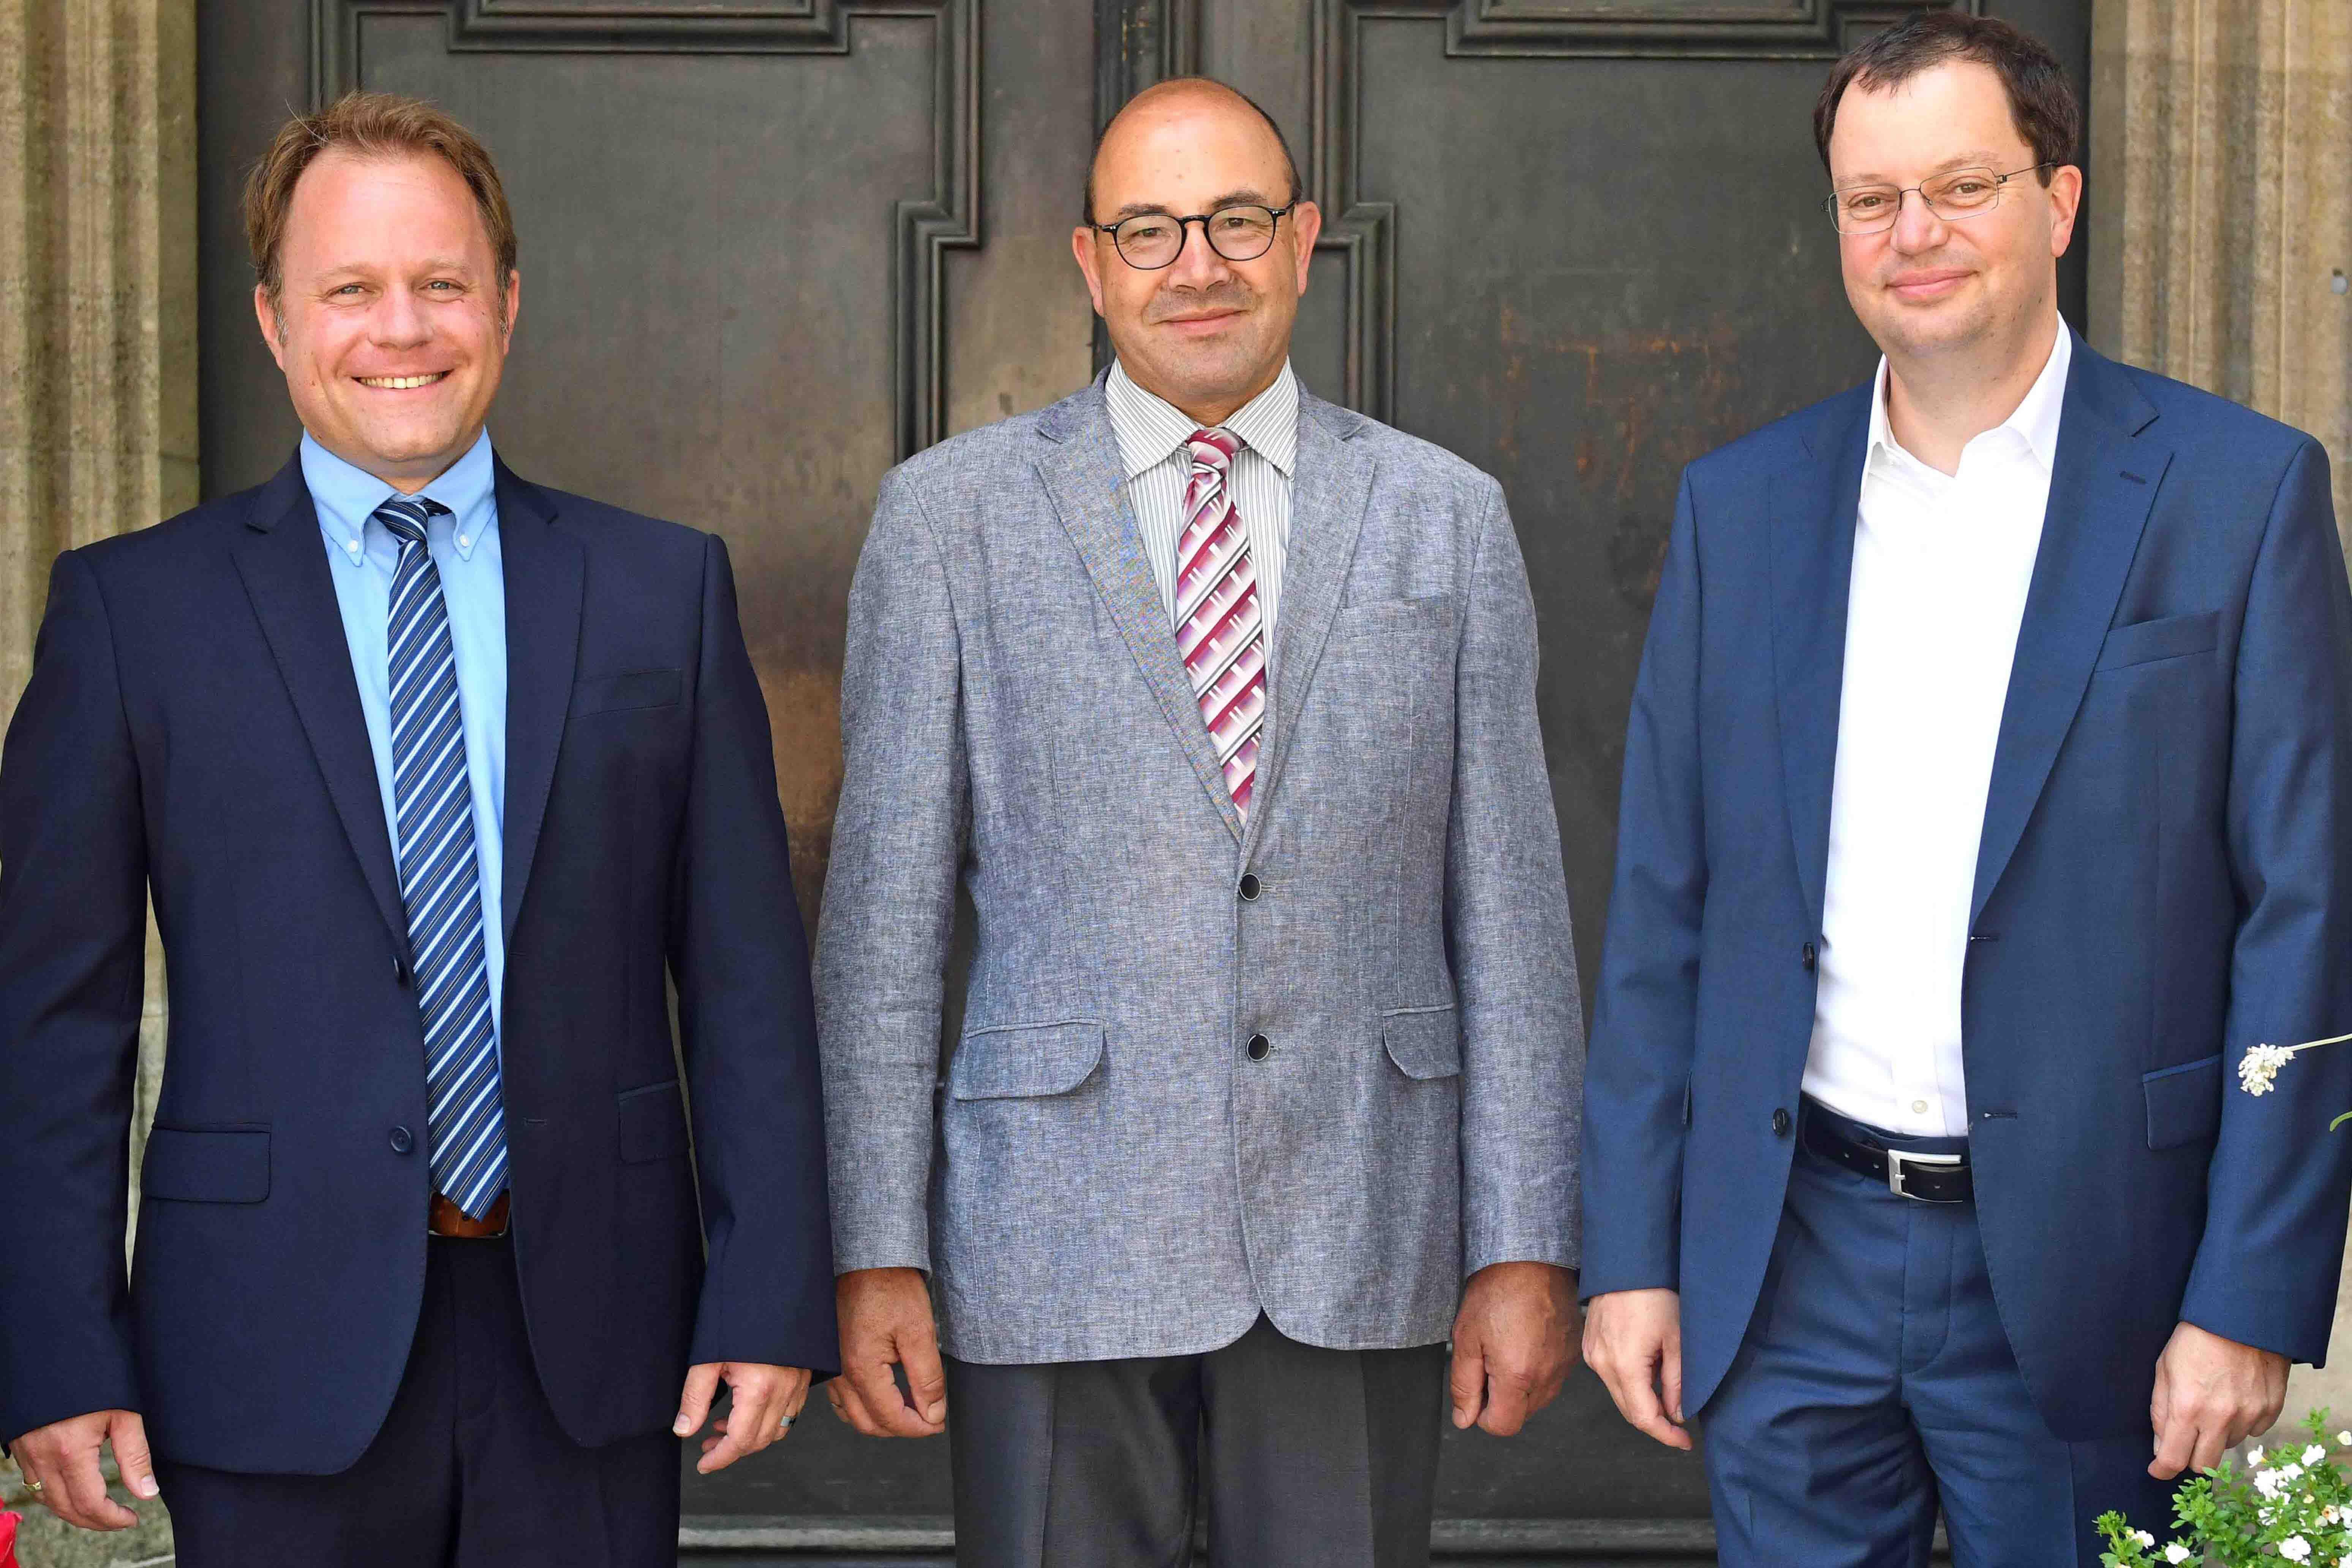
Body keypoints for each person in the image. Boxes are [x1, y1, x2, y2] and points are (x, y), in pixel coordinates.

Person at [0, 92, 837, 1566]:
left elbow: (745, 982)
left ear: (505, 305)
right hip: (264, 1343)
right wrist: (54, 1343)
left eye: (441, 283)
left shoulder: (659, 592)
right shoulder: (134, 614)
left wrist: (768, 1288)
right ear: (272, 319)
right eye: (352, 289)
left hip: (589, 1341)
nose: (403, 328)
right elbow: (53, 1022)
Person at [1579, 14, 2352, 1565]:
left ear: (2058, 202)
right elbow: (1668, 904)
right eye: (1873, 199)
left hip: (2103, 1284)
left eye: (1960, 185)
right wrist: (1630, 1252)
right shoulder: (1742, 507)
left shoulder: (2237, 494)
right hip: (1791, 1261)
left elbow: (2307, 916)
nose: (1913, 234)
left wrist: (2250, 1292)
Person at [816, 76, 1584, 1568]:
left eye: (1236, 220)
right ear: (1091, 262)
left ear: (1303, 242)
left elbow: (1513, 922)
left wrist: (1525, 1243)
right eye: (1151, 229)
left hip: (1362, 1226)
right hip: (1045, 1244)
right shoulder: (948, 521)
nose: (1199, 263)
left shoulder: (1446, 518)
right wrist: (875, 1248)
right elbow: (882, 939)